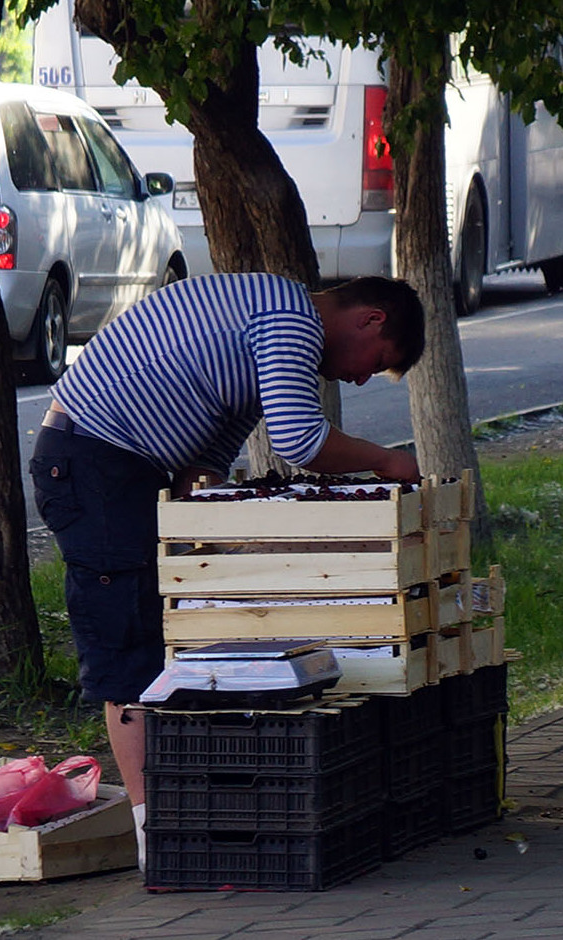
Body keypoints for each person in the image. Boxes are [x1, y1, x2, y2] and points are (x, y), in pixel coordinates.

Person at [26, 272, 425, 866]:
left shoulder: (273, 327)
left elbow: (208, 454)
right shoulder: (290, 321)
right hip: (94, 464)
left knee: (172, 634)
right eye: (377, 360)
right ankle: (155, 836)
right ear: (369, 320)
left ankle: (184, 809)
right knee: (130, 646)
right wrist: (387, 460)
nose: (361, 376)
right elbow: (299, 439)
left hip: (119, 466)